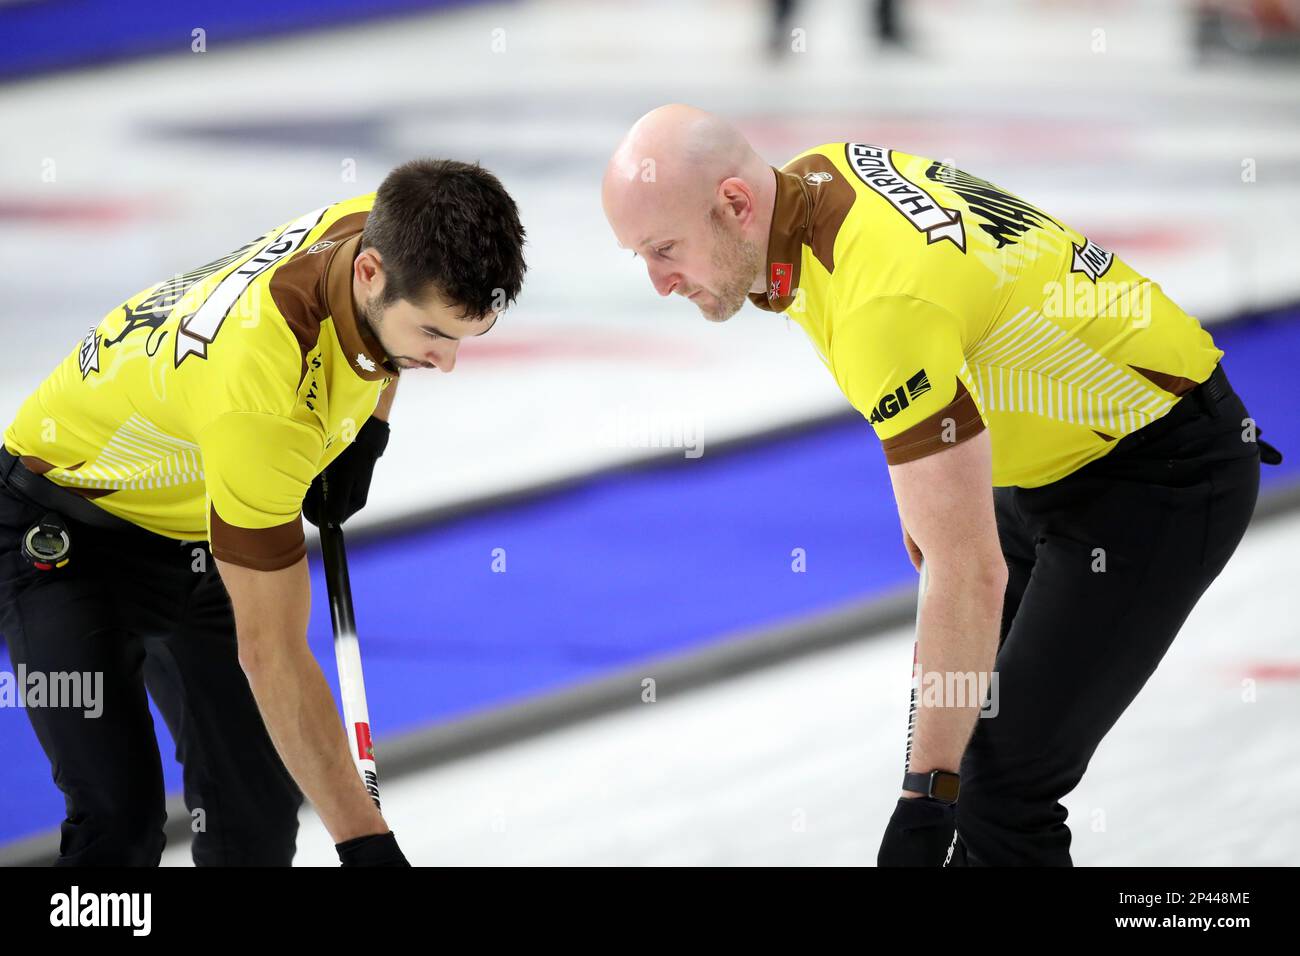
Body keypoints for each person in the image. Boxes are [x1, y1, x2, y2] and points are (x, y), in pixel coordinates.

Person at [601, 104, 1281, 865]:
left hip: (1160, 475)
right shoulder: (819, 177)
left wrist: (922, 797)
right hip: (1053, 463)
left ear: (735, 203)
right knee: (972, 766)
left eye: (665, 249)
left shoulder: (879, 303)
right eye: (641, 257)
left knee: (995, 790)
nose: (660, 282)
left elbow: (966, 571)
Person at [0, 158, 527, 866]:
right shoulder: (264, 396)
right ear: (369, 273)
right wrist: (368, 845)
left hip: (193, 528)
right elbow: (271, 654)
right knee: (117, 824)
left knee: (254, 815)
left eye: (468, 336)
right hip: (61, 537)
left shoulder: (388, 221)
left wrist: (365, 434)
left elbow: (382, 348)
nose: (449, 361)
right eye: (435, 334)